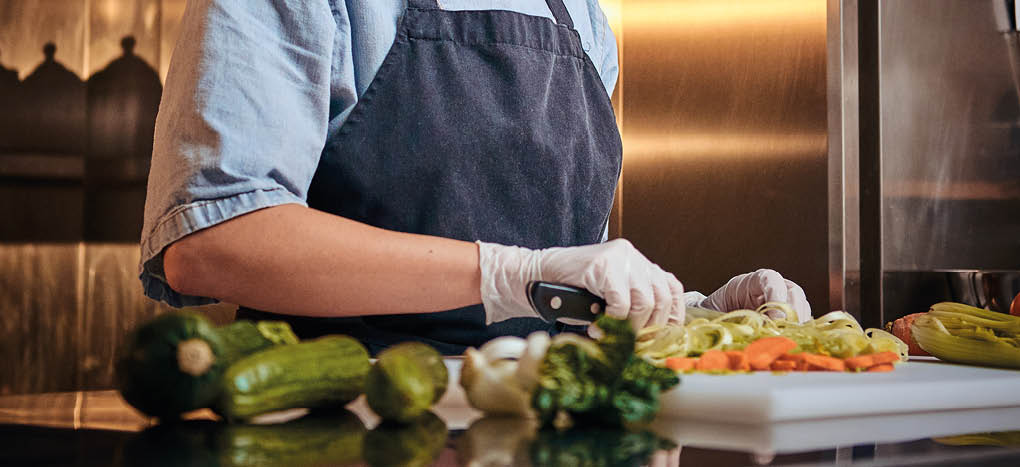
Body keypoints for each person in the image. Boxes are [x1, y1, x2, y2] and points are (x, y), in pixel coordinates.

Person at [141, 0, 811, 356]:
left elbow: (566, 286)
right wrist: (508, 273)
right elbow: (210, 244)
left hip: (542, 427)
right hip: (349, 425)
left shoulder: (580, 16)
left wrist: (687, 316)